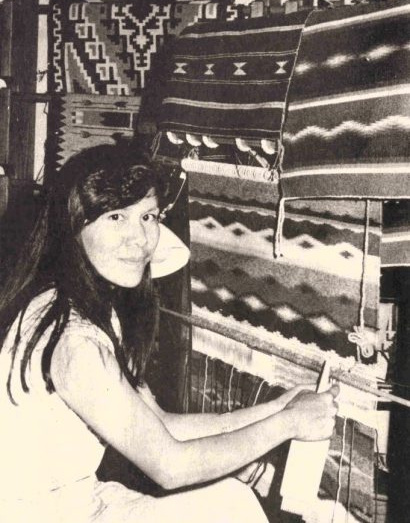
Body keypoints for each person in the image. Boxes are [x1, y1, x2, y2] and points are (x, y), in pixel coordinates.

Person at [0, 142, 339, 523]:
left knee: (230, 502)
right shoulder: (71, 340)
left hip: (79, 501)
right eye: (115, 218)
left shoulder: (82, 306)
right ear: (73, 227)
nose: (140, 239)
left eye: (148, 217)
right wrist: (289, 424)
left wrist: (278, 407)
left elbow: (163, 424)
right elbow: (169, 465)